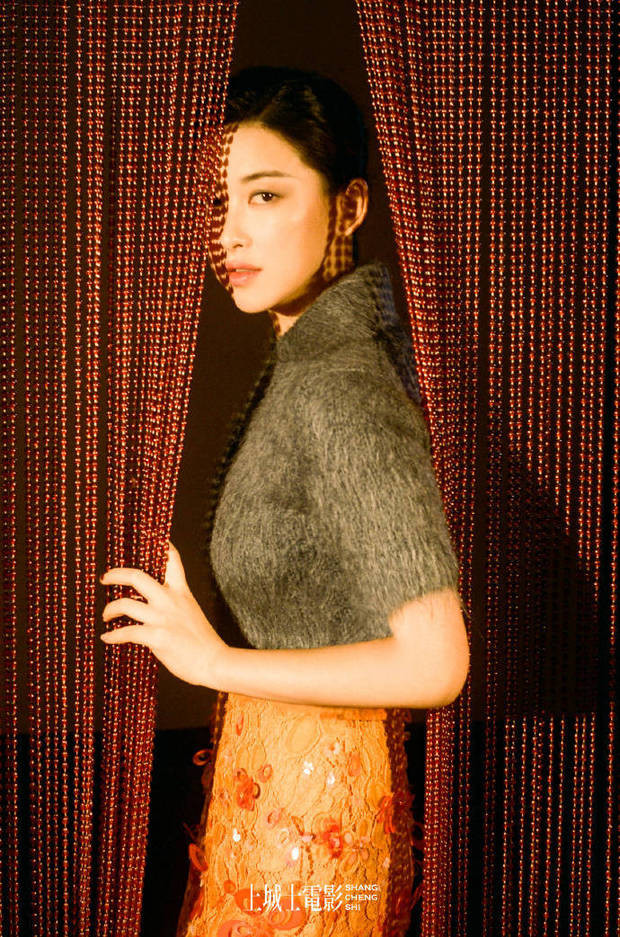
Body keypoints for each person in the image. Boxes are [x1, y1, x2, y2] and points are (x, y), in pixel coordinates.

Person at [99, 66, 470, 937]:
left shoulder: (342, 384)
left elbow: (435, 663)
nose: (227, 233)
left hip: (313, 826)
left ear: (349, 206)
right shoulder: (302, 367)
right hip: (274, 794)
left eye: (264, 195)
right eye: (214, 202)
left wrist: (212, 661)